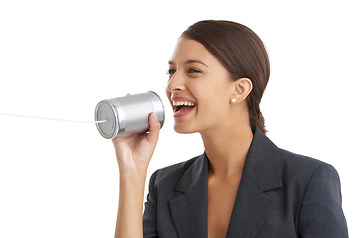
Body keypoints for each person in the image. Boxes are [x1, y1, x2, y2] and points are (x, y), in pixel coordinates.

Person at [112, 20, 348, 238]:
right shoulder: (165, 184)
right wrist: (132, 171)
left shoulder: (308, 181)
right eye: (171, 71)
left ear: (239, 90)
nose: (172, 85)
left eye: (193, 70)